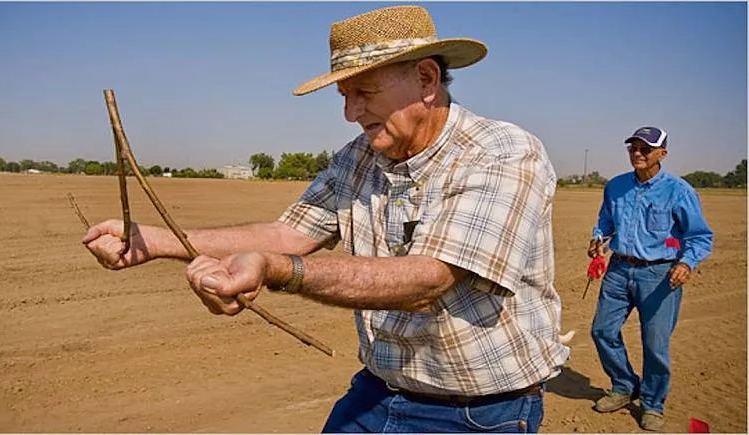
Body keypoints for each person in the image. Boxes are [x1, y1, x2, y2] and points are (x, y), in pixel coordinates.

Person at [83, 5, 569, 433]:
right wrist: (155, 240)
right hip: (378, 391)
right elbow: (288, 232)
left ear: (425, 79)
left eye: (363, 92)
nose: (350, 112)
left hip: (476, 412)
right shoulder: (357, 158)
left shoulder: (501, 153)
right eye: (344, 95)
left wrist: (278, 271)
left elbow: (429, 278)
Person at [588, 126, 713, 431]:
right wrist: (598, 238)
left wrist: (686, 263)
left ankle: (653, 404)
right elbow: (606, 220)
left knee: (655, 345)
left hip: (660, 274)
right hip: (619, 269)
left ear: (662, 154)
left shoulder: (678, 190)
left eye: (645, 148)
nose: (638, 154)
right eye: (633, 148)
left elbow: (700, 236)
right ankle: (624, 385)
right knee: (602, 331)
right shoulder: (616, 186)